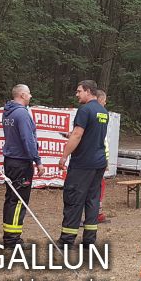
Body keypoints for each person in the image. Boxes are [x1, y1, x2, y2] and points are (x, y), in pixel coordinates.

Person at [57, 80, 109, 246]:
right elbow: (92, 134)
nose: (77, 94)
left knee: (74, 199)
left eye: (79, 91)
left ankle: (67, 240)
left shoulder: (85, 110)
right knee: (92, 200)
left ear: (88, 91)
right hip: (98, 162)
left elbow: (78, 135)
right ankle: (89, 240)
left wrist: (64, 156)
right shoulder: (103, 111)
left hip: (83, 163)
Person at [1, 84, 44, 249]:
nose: (30, 96)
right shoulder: (22, 114)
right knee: (19, 200)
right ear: (22, 95)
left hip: (10, 161)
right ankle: (12, 240)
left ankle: (9, 236)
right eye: (29, 93)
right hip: (21, 163)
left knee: (11, 199)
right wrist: (37, 161)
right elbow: (28, 139)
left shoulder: (8, 112)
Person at [96, 89, 110, 224]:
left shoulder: (103, 116)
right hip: (95, 161)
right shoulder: (96, 114)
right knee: (97, 188)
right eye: (104, 101)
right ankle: (96, 215)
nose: (105, 103)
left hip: (99, 160)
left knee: (100, 187)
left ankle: (98, 214)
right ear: (100, 99)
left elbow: (104, 142)